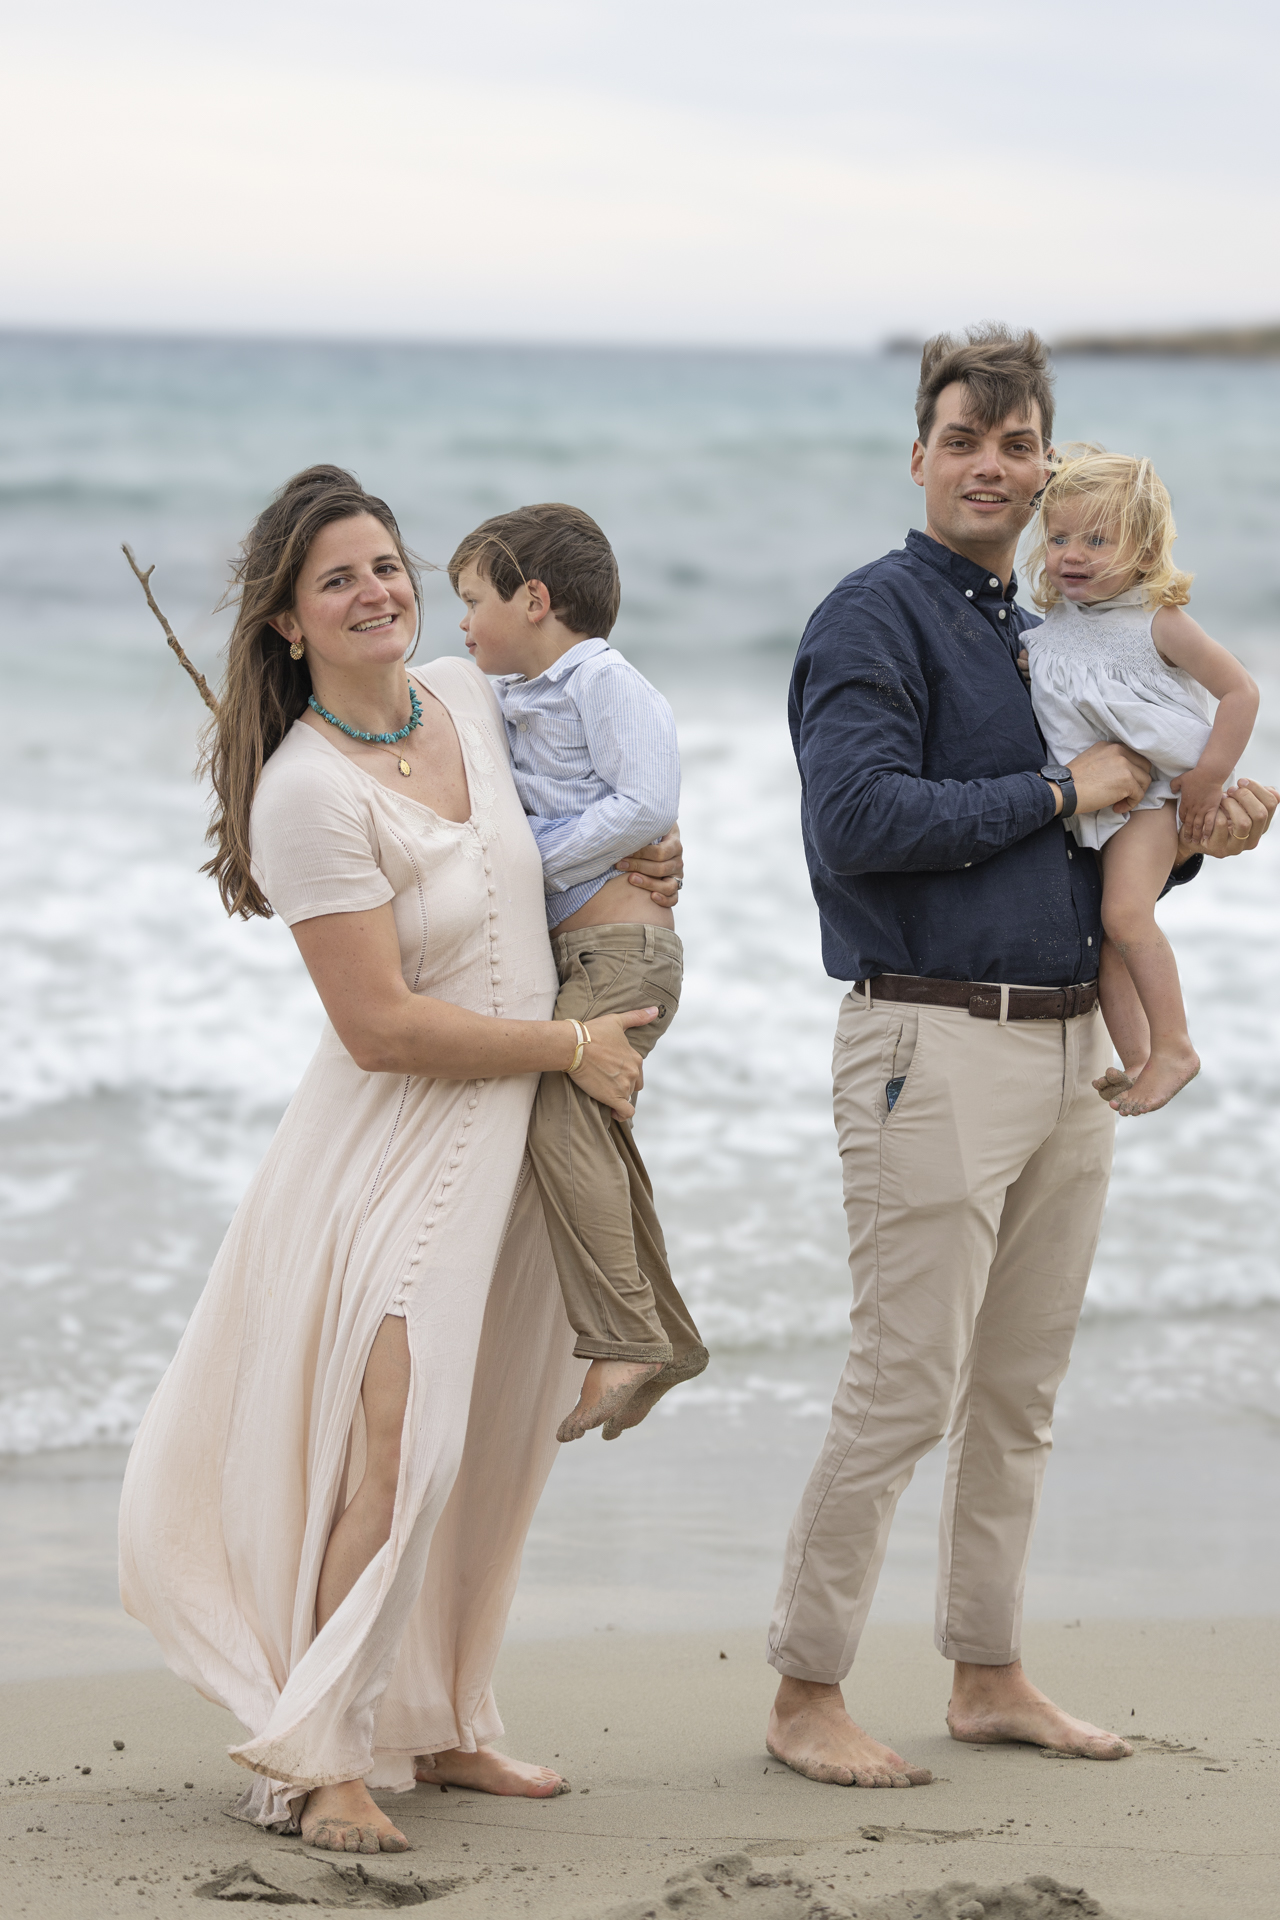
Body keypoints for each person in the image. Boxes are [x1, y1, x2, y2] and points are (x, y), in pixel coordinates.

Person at [119, 466, 681, 1854]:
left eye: (385, 564)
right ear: (287, 622)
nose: (375, 591)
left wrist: (651, 865)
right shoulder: (306, 796)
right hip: (404, 1152)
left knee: (492, 1443)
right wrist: (568, 1048)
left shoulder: (467, 696)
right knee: (403, 1439)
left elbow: (590, 810)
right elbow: (375, 1029)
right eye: (337, 580)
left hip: (526, 1132)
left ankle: (443, 1716)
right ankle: (324, 1756)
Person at [765, 326, 1276, 1790]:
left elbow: (1093, 849)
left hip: (1070, 1048)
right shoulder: (872, 618)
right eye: (962, 441)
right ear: (918, 457)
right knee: (903, 1386)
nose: (989, 466)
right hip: (927, 1040)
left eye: (1015, 443)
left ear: (1047, 466)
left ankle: (986, 1674)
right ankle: (805, 1692)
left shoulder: (1054, 622)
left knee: (1020, 1394)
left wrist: (1196, 837)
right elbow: (856, 824)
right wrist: (1062, 786)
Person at [449, 504, 708, 1444]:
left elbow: (645, 802)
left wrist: (530, 863)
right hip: (591, 953)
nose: (464, 623)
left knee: (561, 1116)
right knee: (589, 1130)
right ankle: (663, 1338)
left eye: (473, 601)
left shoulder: (606, 681)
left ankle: (624, 1339)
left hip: (623, 954)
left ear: (535, 599)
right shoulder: (515, 693)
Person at [1024, 446, 1258, 1116]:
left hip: (1154, 798)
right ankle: (1138, 1062)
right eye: (1059, 538)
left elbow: (1240, 692)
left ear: (1147, 549)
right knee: (1108, 941)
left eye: (1098, 541)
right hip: (1096, 804)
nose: (1072, 554)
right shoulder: (1054, 627)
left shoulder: (1159, 622)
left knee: (1125, 917)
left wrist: (1209, 778)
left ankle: (1176, 1046)